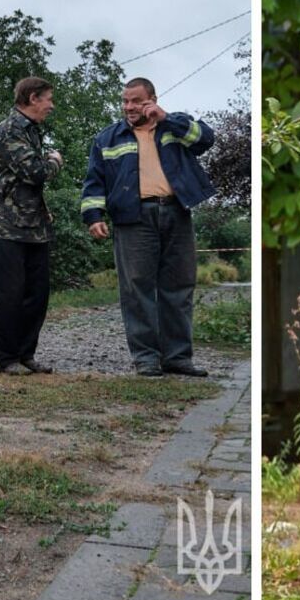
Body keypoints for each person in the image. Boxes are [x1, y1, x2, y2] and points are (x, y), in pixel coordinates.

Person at [79, 77, 217, 377]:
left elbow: (207, 140)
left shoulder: (174, 126)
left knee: (179, 286)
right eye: (125, 101)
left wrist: (167, 118)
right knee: (136, 289)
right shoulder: (107, 138)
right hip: (133, 217)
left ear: (152, 99)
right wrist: (94, 216)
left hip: (176, 211)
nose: (129, 107)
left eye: (136, 101)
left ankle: (178, 357)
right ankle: (146, 358)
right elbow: (94, 182)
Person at [0, 76, 64, 376]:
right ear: (33, 98)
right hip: (6, 225)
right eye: (48, 99)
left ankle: (26, 353)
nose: (51, 106)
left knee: (37, 292)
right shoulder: (9, 130)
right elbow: (34, 171)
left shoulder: (31, 132)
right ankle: (5, 358)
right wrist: (55, 160)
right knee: (10, 293)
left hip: (34, 225)